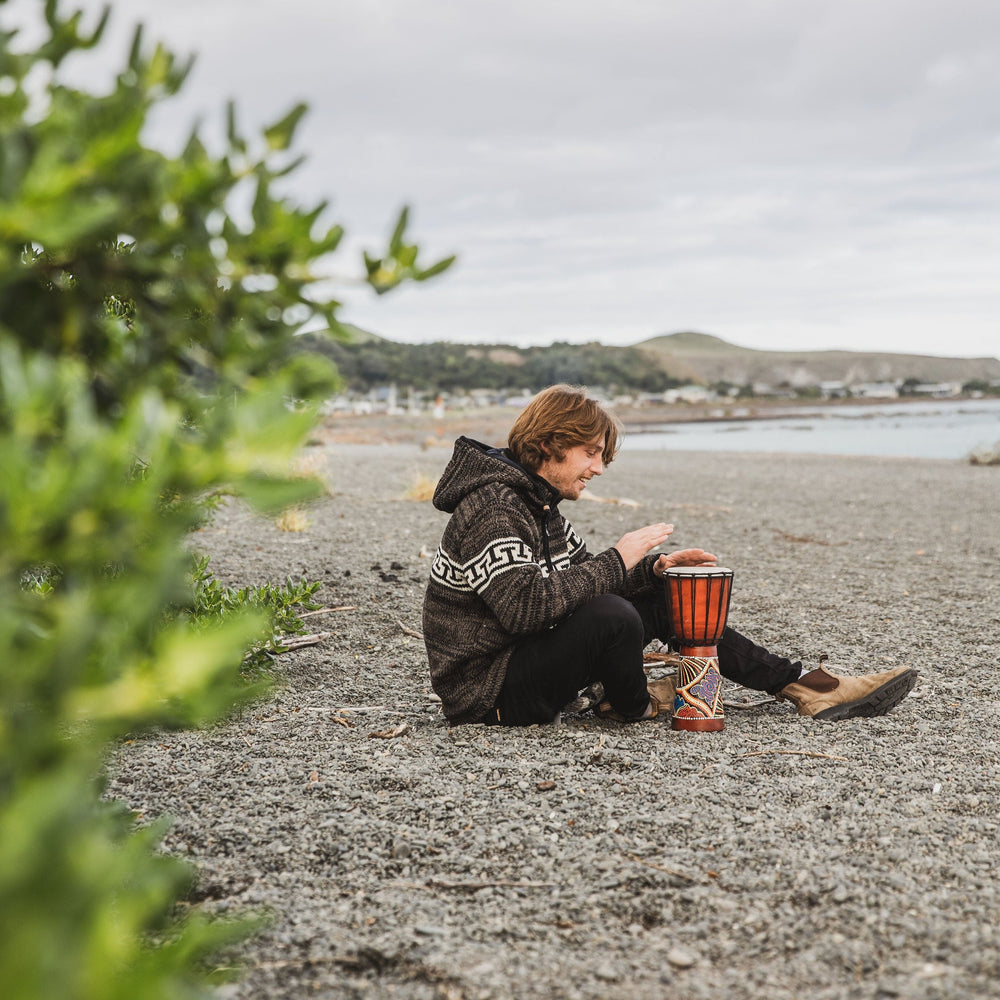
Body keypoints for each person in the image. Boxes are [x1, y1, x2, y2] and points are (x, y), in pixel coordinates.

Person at [422, 384, 917, 727]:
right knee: (611, 616)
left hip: (524, 663)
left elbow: (581, 581)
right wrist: (618, 557)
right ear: (550, 443)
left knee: (664, 595)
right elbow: (525, 608)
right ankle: (633, 704)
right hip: (488, 693)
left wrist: (650, 570)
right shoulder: (494, 506)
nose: (598, 469)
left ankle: (806, 686)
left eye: (601, 456)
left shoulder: (536, 502)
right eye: (590, 453)